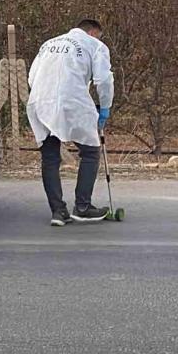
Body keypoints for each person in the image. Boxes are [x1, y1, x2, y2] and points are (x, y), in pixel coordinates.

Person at [27, 19, 114, 227]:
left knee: (50, 157)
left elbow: (31, 77)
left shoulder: (48, 43)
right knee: (90, 151)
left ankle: (58, 212)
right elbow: (103, 80)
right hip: (72, 101)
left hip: (40, 102)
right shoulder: (96, 46)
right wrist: (105, 107)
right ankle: (83, 207)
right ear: (93, 33)